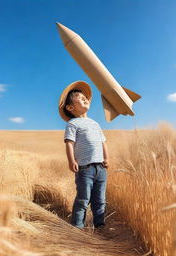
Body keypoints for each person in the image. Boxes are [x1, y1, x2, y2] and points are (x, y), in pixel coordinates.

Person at [58, 80, 109, 229]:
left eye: (84, 97)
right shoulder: (72, 124)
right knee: (83, 199)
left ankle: (100, 225)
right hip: (84, 169)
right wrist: (71, 160)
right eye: (79, 98)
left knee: (100, 199)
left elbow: (103, 142)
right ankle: (77, 227)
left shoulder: (95, 124)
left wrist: (106, 158)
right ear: (70, 107)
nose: (84, 98)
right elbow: (69, 143)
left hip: (100, 169)